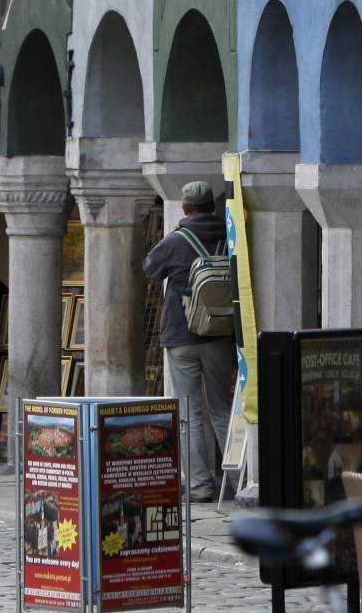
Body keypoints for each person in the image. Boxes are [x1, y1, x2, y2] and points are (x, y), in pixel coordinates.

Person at [140, 179, 234, 502]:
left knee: (190, 411)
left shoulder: (177, 241)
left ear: (186, 208)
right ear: (212, 205)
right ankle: (237, 482)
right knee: (222, 408)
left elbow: (150, 267)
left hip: (182, 336)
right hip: (221, 334)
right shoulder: (229, 235)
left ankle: (199, 485)